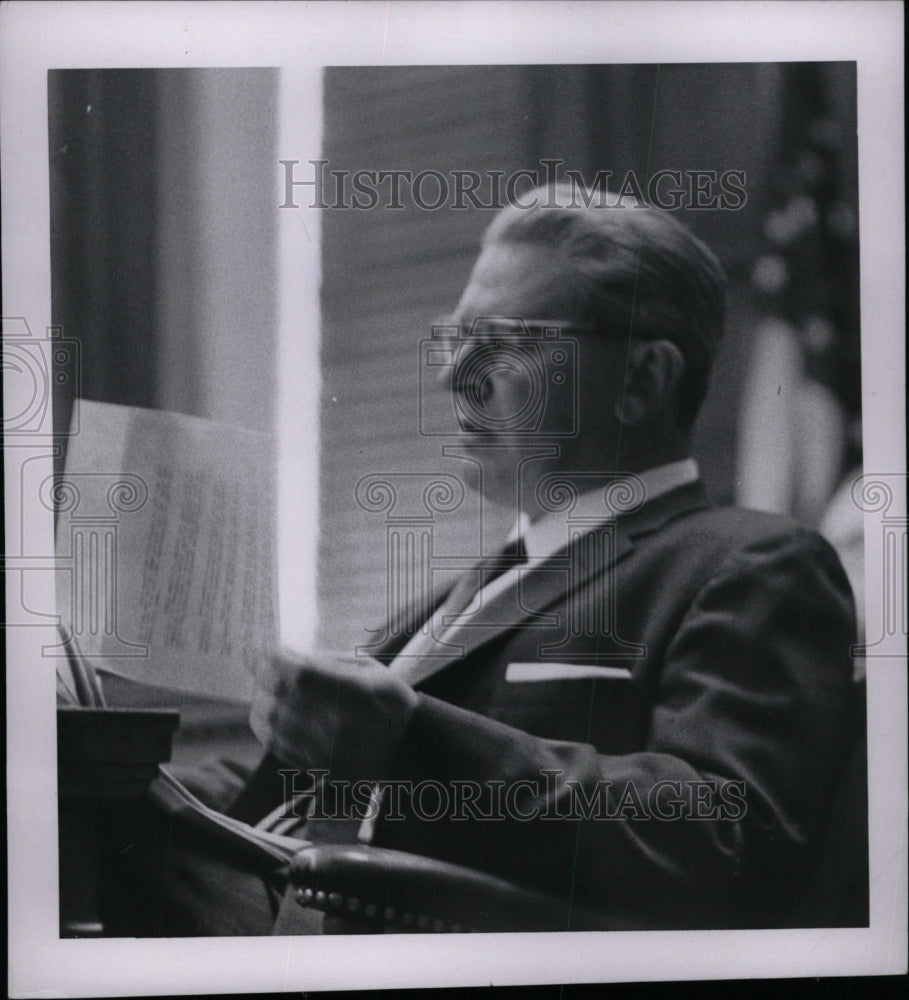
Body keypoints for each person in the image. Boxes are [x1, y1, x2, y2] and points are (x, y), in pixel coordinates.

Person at [111, 187, 861, 934]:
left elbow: (716, 835)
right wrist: (93, 772)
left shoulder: (749, 565)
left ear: (641, 379)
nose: (453, 376)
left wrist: (410, 740)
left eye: (501, 341)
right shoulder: (444, 605)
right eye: (454, 338)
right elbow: (277, 794)